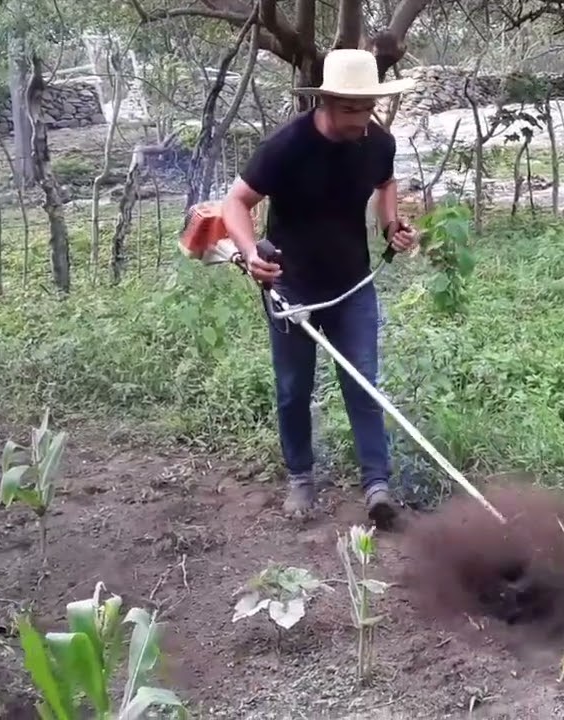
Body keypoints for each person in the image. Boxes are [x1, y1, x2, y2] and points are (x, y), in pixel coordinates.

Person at [219, 49, 419, 531]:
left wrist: (391, 224)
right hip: (292, 286)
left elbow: (386, 182)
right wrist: (251, 256)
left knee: (364, 382)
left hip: (352, 282)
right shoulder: (287, 146)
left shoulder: (377, 143)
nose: (360, 118)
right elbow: (235, 203)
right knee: (294, 389)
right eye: (350, 108)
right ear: (326, 102)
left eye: (367, 107)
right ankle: (301, 476)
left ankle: (377, 486)